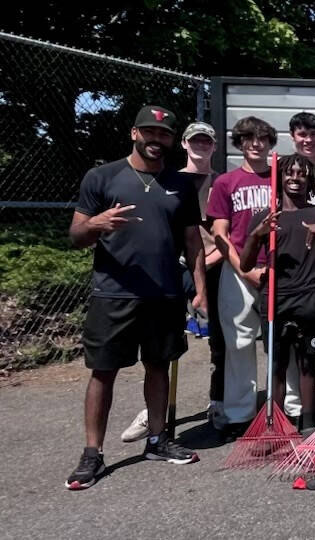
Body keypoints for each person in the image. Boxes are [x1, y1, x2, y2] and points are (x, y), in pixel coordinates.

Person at [66, 105, 205, 490]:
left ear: (171, 140)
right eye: (149, 133)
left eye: (163, 135)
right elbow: (76, 236)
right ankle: (92, 453)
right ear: (133, 133)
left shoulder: (180, 185)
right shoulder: (103, 176)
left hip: (164, 293)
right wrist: (96, 224)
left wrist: (201, 292)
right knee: (103, 372)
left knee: (158, 366)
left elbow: (193, 242)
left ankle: (157, 440)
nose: (155, 140)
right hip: (114, 294)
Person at [240, 155, 315, 433]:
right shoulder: (268, 218)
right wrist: (256, 236)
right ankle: (276, 425)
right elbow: (245, 264)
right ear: (280, 178)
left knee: (307, 362)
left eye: (301, 174)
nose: (295, 178)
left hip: (309, 300)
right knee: (277, 365)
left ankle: (308, 424)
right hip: (275, 300)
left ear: (310, 180)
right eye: (289, 173)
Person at [119, 120, 224, 442]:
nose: (201, 146)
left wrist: (204, 265)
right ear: (184, 144)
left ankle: (218, 401)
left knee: (220, 341)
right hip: (169, 271)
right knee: (161, 346)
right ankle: (154, 413)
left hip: (214, 267)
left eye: (207, 141)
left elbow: (225, 235)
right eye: (195, 141)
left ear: (215, 146)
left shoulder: (222, 182)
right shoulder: (167, 179)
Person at [208, 116, 278, 434]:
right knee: (239, 342)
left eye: (262, 137)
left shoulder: (282, 177)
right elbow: (220, 232)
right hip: (238, 269)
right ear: (240, 143)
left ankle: (286, 408)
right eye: (248, 138)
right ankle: (239, 414)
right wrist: (243, 269)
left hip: (278, 268)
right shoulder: (226, 182)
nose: (256, 143)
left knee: (283, 342)